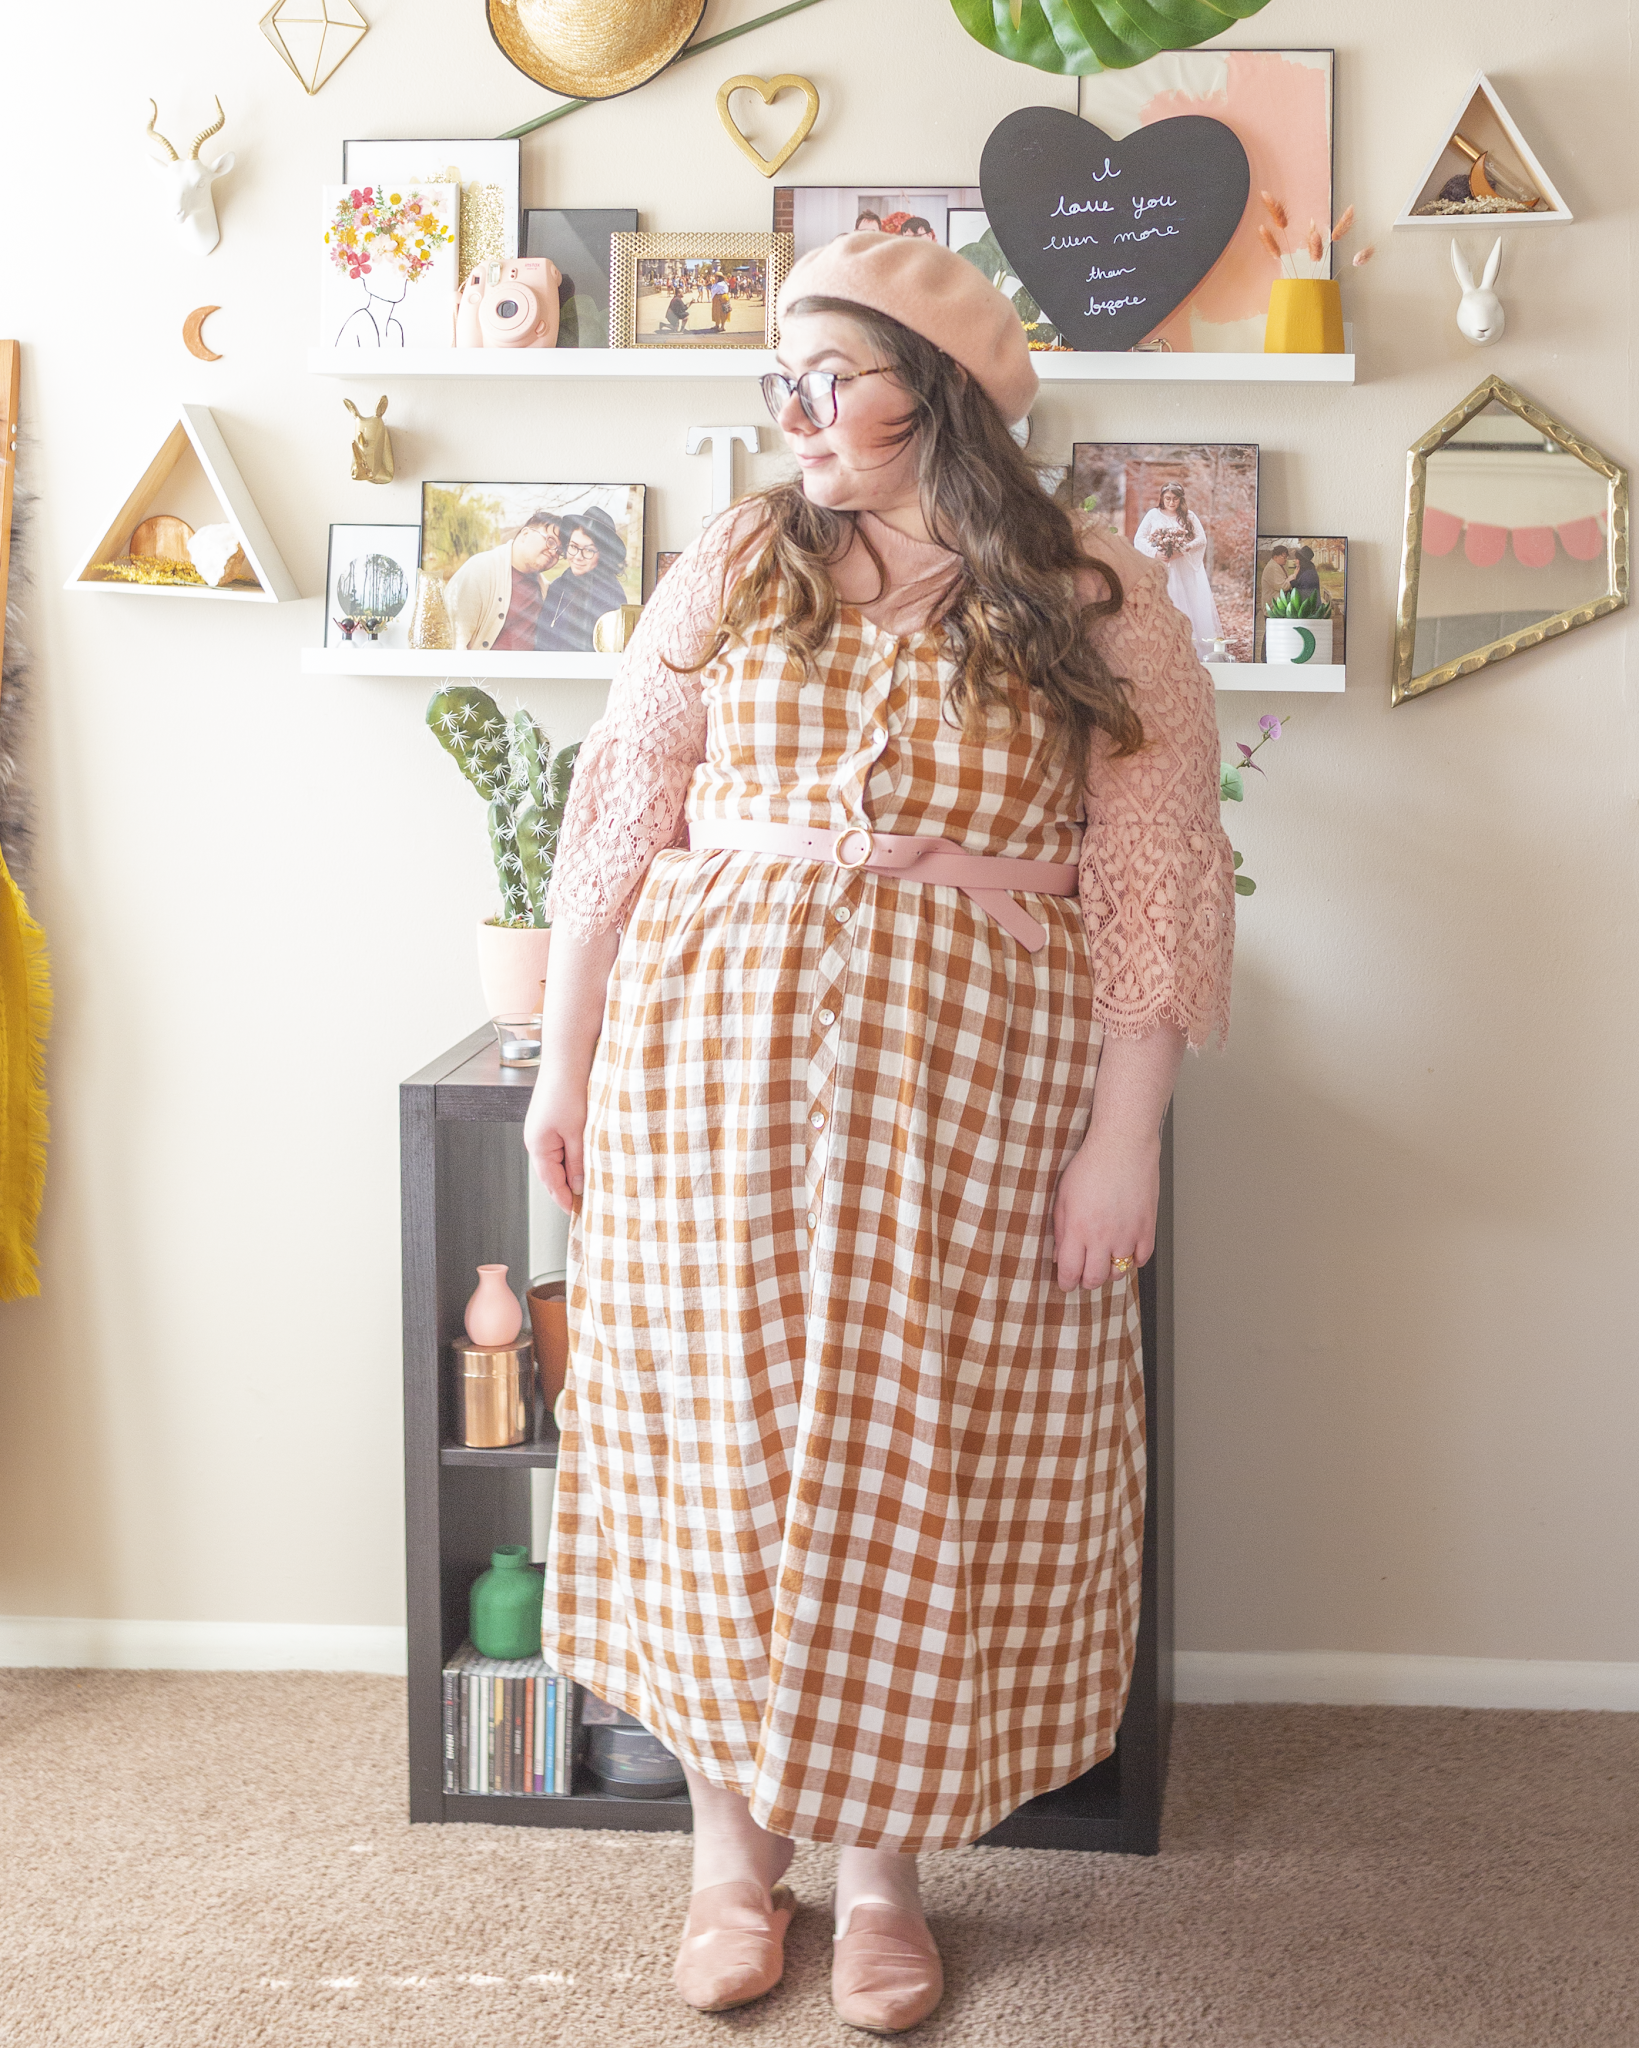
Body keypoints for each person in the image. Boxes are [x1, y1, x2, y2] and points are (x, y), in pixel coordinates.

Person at [526, 233, 1234, 2032]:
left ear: (948, 393)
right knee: (719, 1454)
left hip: (971, 1095)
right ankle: (723, 1862)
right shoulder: (742, 556)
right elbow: (625, 810)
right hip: (710, 1080)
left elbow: (1152, 878)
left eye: (825, 379)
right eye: (778, 383)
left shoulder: (1092, 596)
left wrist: (1121, 1138)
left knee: (914, 1461)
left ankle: (876, 1875)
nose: (793, 416)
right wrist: (560, 1060)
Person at [445, 511, 562, 652]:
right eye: (550, 541)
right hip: (482, 673)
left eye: (560, 551)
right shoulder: (480, 570)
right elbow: (453, 640)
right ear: (525, 534)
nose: (554, 552)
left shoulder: (546, 589)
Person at [1134, 482, 1222, 660]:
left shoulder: (1188, 516)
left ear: (1180, 500)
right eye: (1167, 498)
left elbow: (1201, 539)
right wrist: (1156, 552)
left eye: (1175, 499)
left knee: (1186, 604)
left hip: (1183, 567)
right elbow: (1139, 538)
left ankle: (1189, 650)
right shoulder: (1153, 514)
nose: (1171, 502)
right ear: (1162, 498)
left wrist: (1182, 550)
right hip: (1160, 566)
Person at [534, 505, 629, 652]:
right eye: (573, 546)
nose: (578, 556)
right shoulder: (558, 586)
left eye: (589, 550)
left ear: (603, 555)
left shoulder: (610, 594)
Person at [1258, 543, 1294, 657]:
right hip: (1272, 606)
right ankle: (1265, 657)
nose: (1286, 559)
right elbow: (1283, 586)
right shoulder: (1273, 567)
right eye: (1284, 557)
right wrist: (1292, 578)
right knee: (1271, 632)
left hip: (1274, 605)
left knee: (1272, 632)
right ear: (1275, 557)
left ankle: (1268, 657)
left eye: (1286, 557)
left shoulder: (1277, 566)